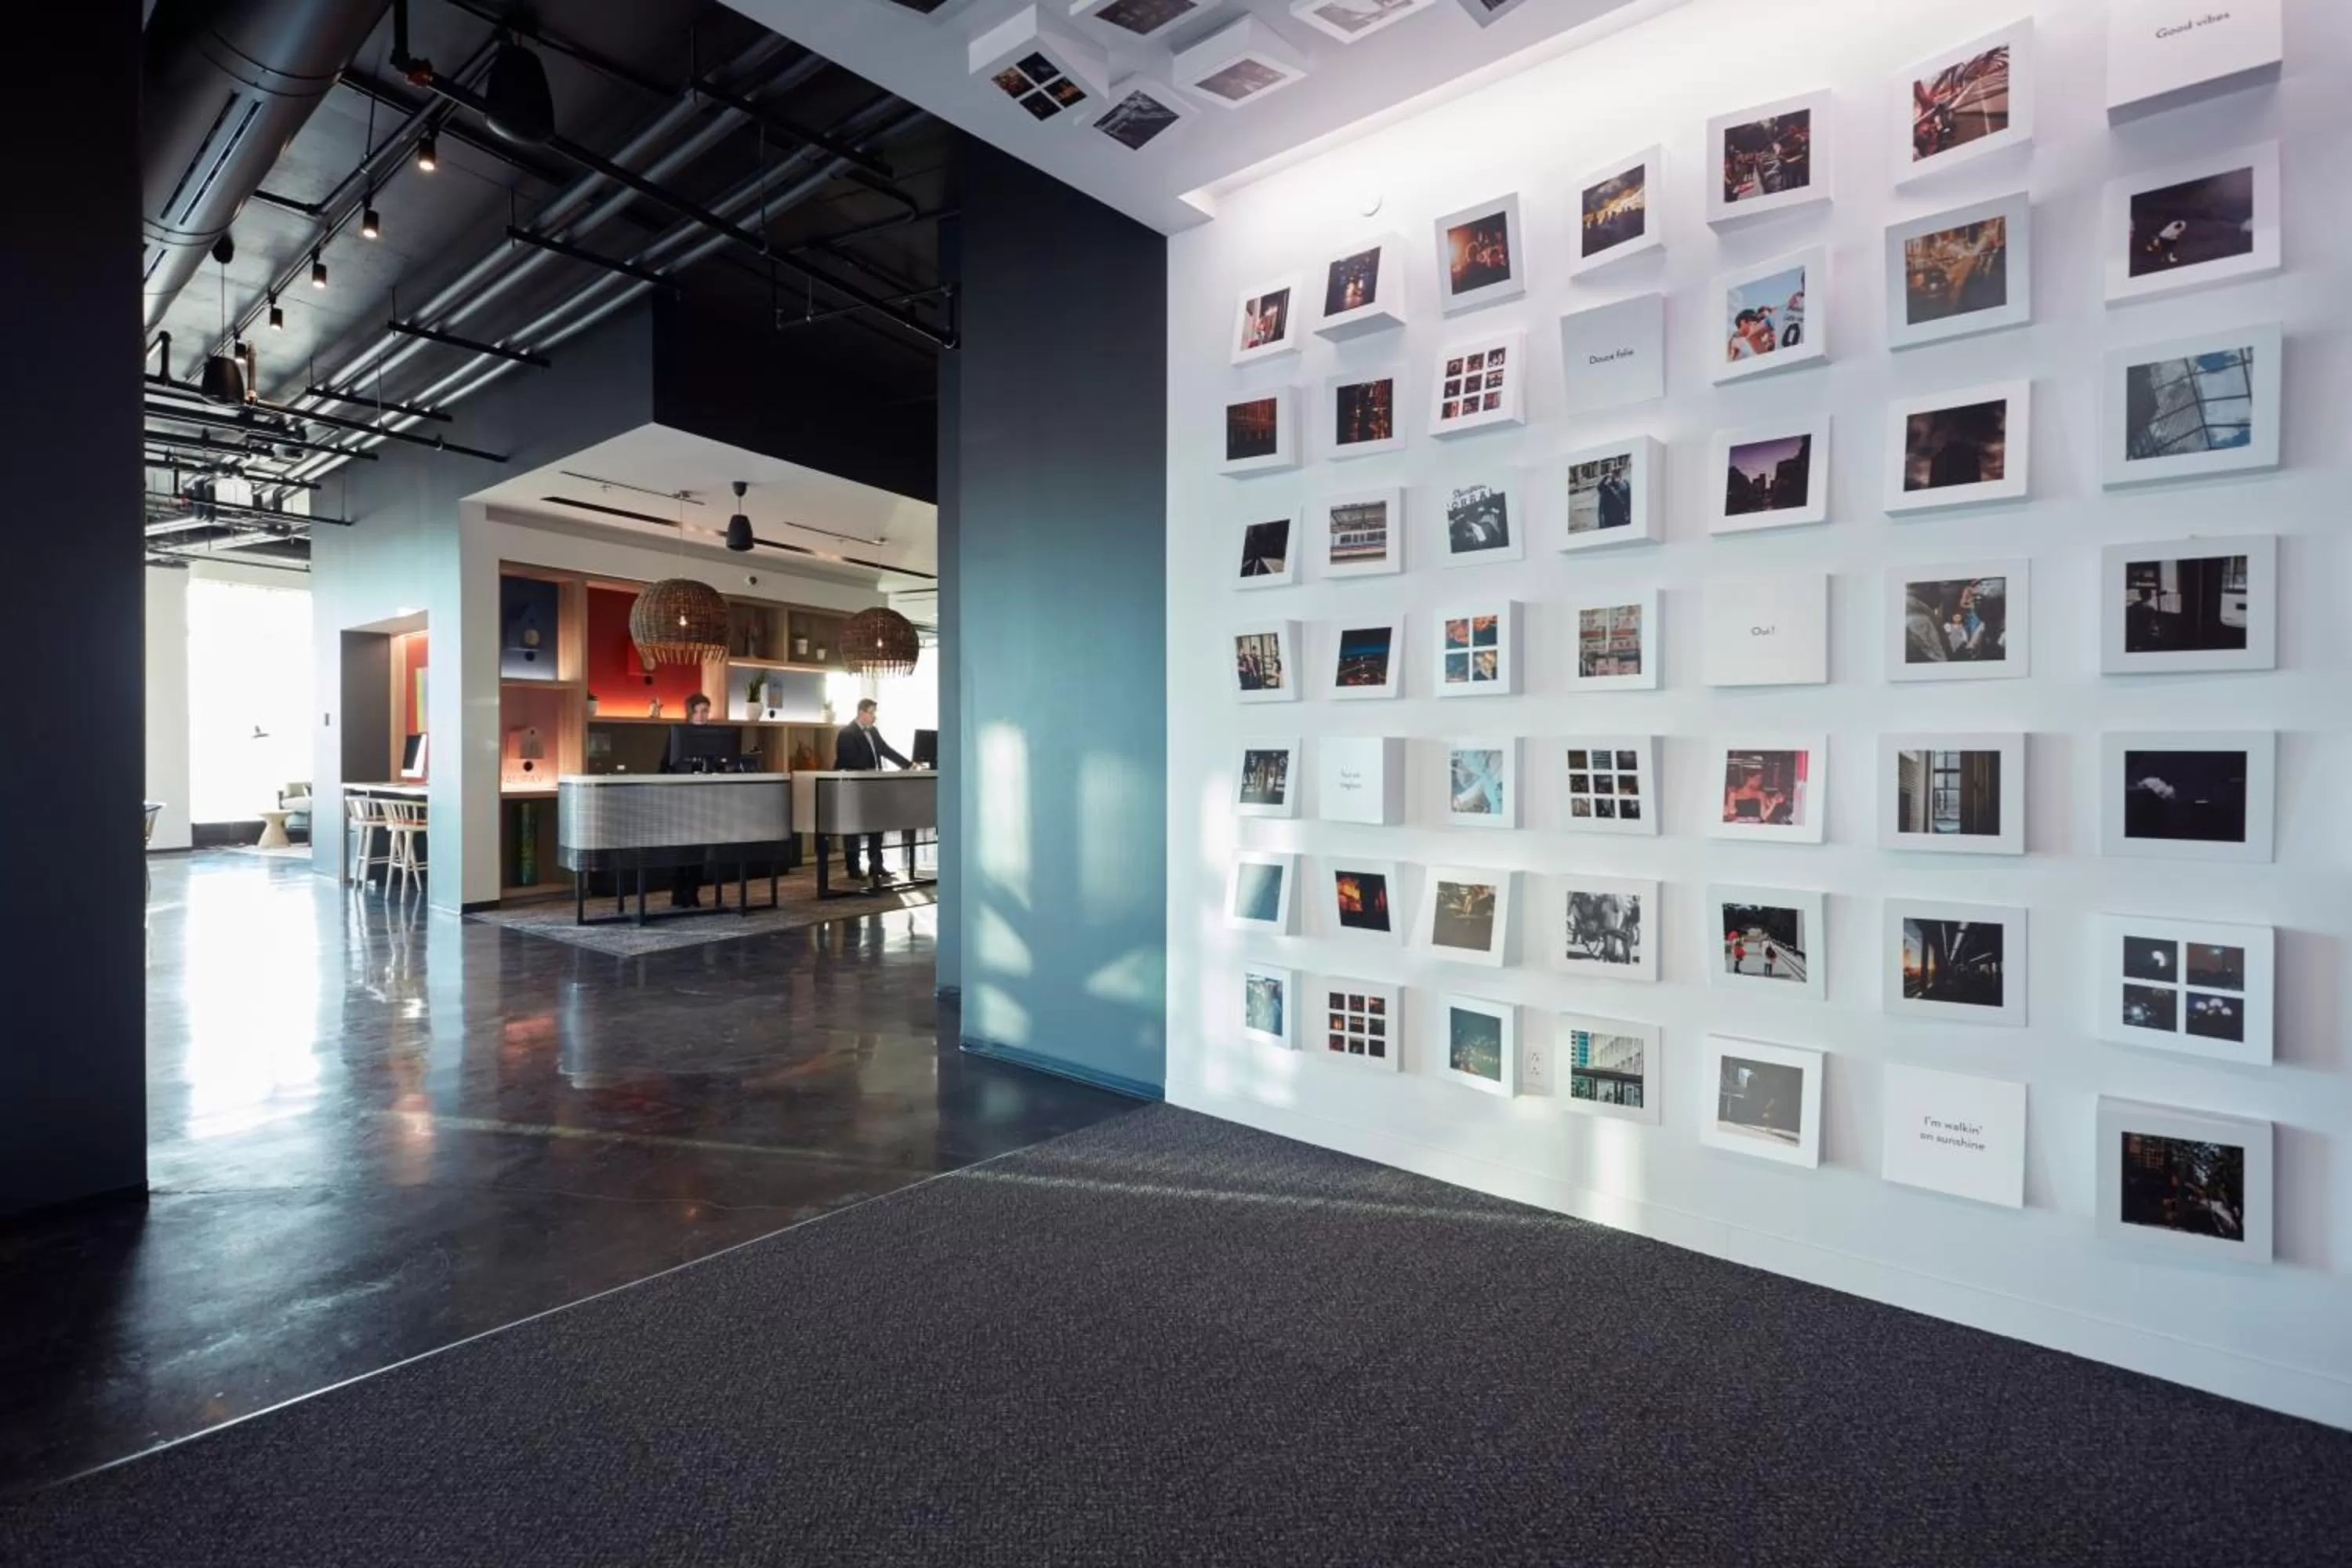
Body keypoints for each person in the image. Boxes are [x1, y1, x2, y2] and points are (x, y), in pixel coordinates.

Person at [834, 698, 911, 892]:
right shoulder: (846, 733)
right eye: (872, 713)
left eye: (875, 713)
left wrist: (908, 765)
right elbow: (848, 760)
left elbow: (885, 750)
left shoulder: (873, 732)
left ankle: (876, 864)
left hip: (874, 786)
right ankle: (853, 868)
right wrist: (871, 768)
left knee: (877, 824)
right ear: (861, 712)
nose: (874, 717)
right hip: (854, 787)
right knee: (853, 827)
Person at [663, 694, 715, 909]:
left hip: (701, 799)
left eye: (706, 711)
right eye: (700, 711)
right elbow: (665, 765)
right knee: (680, 849)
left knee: (699, 849)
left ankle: (693, 891)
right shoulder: (677, 735)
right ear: (690, 713)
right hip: (679, 798)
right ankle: (678, 892)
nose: (703, 716)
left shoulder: (713, 736)